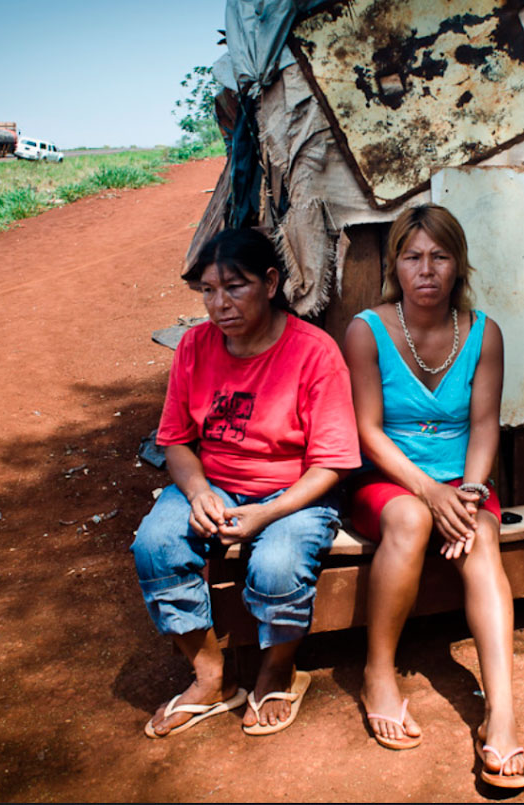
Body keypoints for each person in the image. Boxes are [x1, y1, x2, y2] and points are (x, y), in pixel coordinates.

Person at [130, 228, 361, 738]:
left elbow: (334, 463)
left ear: (272, 282)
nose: (219, 304)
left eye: (235, 287)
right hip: (216, 485)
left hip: (297, 490)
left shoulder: (315, 353)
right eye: (208, 291)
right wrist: (199, 493)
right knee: (156, 544)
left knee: (277, 565)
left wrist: (268, 512)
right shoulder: (194, 346)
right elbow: (176, 441)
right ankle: (211, 675)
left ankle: (278, 667)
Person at [344, 204, 524, 789]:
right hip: (390, 479)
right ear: (395, 265)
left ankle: (501, 716)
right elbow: (368, 431)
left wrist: (469, 497)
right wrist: (427, 493)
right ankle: (379, 672)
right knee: (408, 521)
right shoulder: (366, 330)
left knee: (483, 544)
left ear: (458, 265)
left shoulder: (483, 333)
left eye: (440, 257)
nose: (427, 270)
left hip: (462, 483)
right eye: (413, 256)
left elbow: (484, 425)